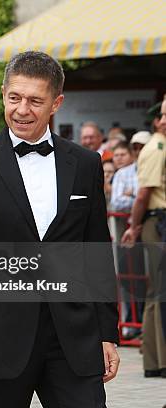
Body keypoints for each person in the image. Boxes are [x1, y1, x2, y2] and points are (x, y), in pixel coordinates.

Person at [0, 51, 119, 407]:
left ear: (56, 103)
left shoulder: (85, 163)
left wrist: (106, 333)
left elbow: (95, 251)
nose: (22, 110)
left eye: (35, 101)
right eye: (14, 98)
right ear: (4, 94)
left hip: (73, 337)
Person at [121, 98, 166, 378]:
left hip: (157, 220)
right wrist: (134, 226)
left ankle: (155, 360)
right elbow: (143, 193)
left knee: (158, 293)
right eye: (162, 114)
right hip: (157, 221)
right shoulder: (156, 148)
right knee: (160, 293)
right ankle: (158, 360)